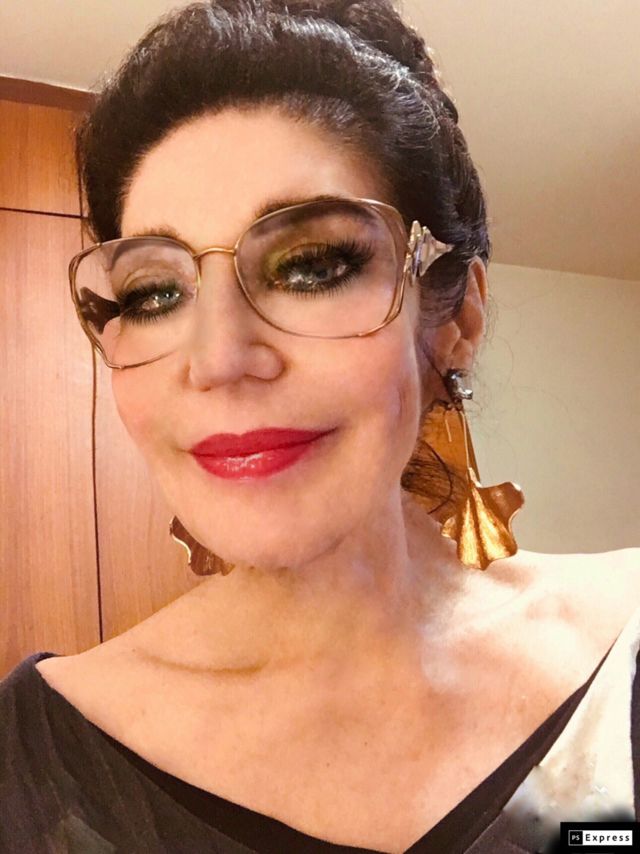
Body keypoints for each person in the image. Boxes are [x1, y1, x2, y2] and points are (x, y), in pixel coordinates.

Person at [1, 1, 639, 852]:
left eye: (310, 266)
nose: (218, 358)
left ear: (457, 319)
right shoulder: (25, 759)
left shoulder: (625, 642)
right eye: (153, 293)